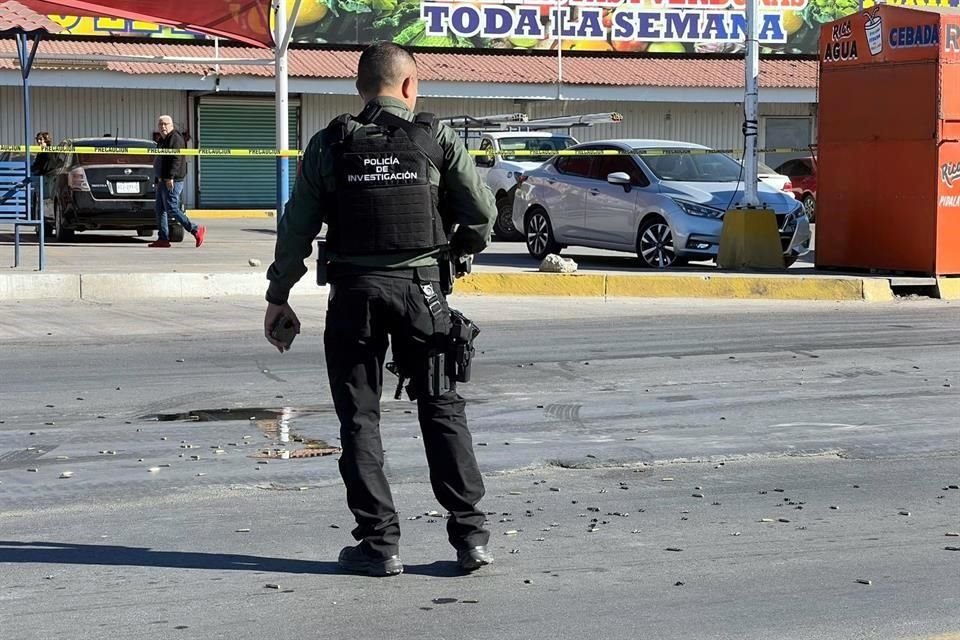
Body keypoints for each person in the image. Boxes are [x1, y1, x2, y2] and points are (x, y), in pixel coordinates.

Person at [263, 43, 497, 577]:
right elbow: (482, 212)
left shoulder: (331, 143)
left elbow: (296, 228)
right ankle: (470, 537)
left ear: (359, 88)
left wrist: (279, 296)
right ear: (411, 86)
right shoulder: (435, 137)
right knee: (441, 407)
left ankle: (379, 544)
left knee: (359, 419)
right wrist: (458, 251)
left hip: (354, 295)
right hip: (424, 295)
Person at [150, 115, 205, 248]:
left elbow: (176, 159)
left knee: (172, 208)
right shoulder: (162, 140)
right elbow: (160, 160)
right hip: (162, 179)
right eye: (160, 124)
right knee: (160, 209)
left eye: (166, 124)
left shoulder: (175, 138)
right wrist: (159, 178)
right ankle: (163, 238)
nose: (163, 127)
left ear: (172, 125)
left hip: (172, 180)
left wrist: (170, 177)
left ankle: (196, 229)